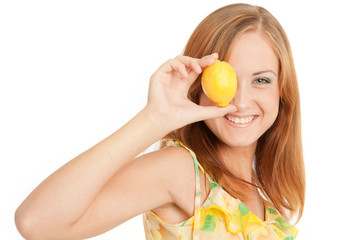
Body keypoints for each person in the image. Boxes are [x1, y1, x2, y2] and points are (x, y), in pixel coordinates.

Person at [15, 3, 305, 240]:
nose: (241, 100)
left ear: (282, 91)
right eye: (226, 79)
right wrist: (155, 118)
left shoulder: (265, 198)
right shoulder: (183, 172)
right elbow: (36, 222)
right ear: (198, 84)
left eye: (261, 80)